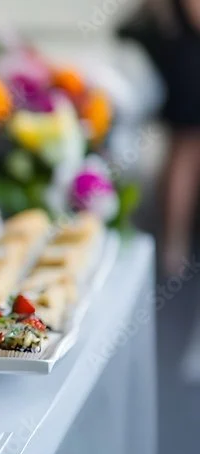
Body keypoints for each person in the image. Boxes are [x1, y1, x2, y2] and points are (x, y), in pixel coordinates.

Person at [126, 0, 200, 274]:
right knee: (186, 151)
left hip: (182, 53)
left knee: (181, 152)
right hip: (189, 58)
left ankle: (172, 243)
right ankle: (173, 245)